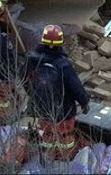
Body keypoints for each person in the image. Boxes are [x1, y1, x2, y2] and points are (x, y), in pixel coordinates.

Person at [26, 25, 89, 161]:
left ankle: (48, 156)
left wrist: (33, 96)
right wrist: (85, 103)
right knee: (66, 137)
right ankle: (65, 159)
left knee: (47, 135)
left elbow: (25, 80)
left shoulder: (32, 59)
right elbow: (76, 87)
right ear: (61, 43)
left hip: (42, 110)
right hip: (64, 111)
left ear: (42, 41)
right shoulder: (63, 64)